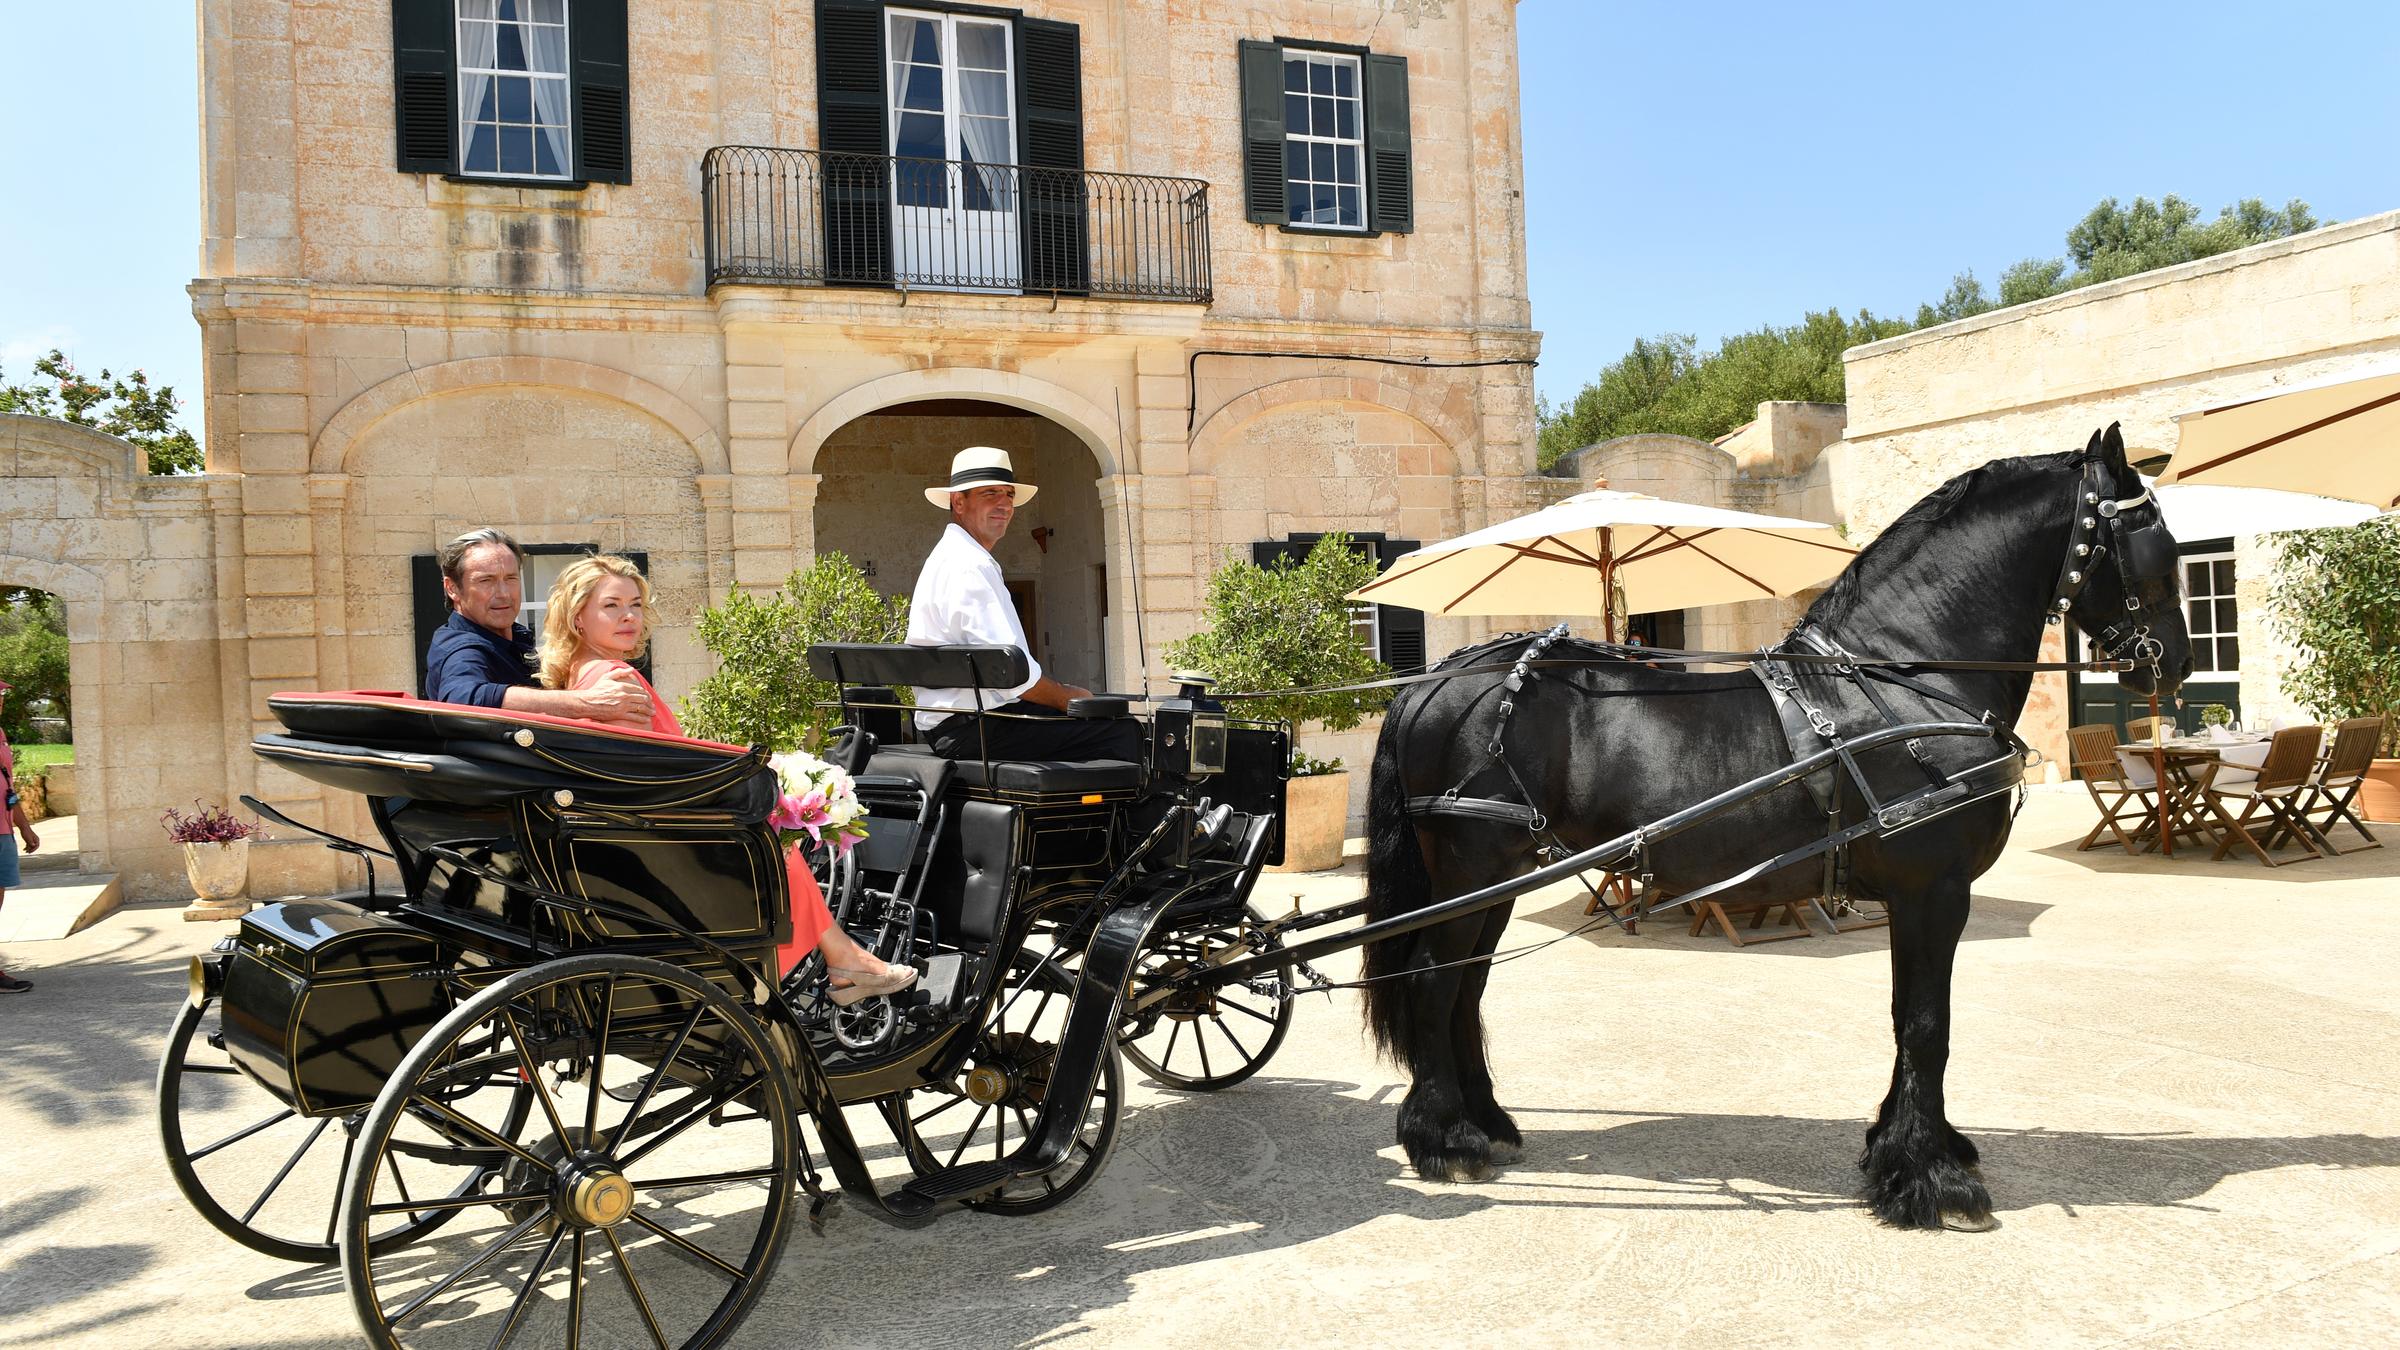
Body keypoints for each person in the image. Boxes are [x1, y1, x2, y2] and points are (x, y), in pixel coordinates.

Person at [536, 555, 915, 1005]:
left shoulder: (580, 675)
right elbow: (654, 764)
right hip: (665, 828)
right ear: (578, 617)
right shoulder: (615, 678)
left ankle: (845, 958)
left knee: (771, 836)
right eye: (611, 606)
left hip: (635, 823)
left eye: (635, 605)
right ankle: (845, 960)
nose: (628, 617)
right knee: (772, 845)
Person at [908, 447, 1141, 763]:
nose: (1004, 503)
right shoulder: (970, 564)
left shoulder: (951, 557)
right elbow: (1009, 672)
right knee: (1123, 730)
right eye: (990, 493)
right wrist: (1066, 696)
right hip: (979, 729)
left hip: (962, 726)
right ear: (958, 502)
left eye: (1009, 494)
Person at [422, 528, 649, 723]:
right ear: (452, 588)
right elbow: (462, 699)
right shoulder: (462, 648)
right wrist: (587, 702)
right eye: (486, 581)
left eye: (511, 578)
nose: (503, 594)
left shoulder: (515, 639)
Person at [0, 681, 42, 994]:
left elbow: (7, 787)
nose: (2, 699)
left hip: (3, 828)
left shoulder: (0, 735)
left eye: (2, 695)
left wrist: (24, 826)